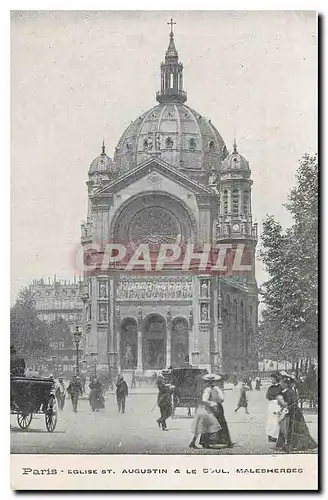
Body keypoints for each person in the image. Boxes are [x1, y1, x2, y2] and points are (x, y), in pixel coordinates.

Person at [276, 374, 317, 452]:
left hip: (294, 412)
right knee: (289, 428)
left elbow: (291, 402)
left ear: (286, 384)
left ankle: (296, 444)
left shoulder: (289, 392)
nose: (280, 384)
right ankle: (287, 444)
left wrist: (284, 405)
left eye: (281, 383)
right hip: (290, 411)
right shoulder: (286, 391)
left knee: (296, 428)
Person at [199, 374, 233, 448]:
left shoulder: (207, 389)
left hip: (211, 407)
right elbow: (222, 399)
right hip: (217, 407)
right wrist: (217, 402)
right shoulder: (217, 389)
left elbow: (204, 400)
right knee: (220, 423)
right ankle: (223, 440)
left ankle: (207, 442)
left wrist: (211, 403)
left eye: (210, 382)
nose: (210, 383)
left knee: (210, 423)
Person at [265, 373, 282, 442]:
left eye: (272, 378)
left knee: (277, 420)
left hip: (278, 404)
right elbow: (267, 396)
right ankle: (270, 435)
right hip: (271, 405)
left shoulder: (280, 387)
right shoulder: (271, 388)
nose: (271, 380)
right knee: (270, 420)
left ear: (276, 379)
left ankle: (275, 436)